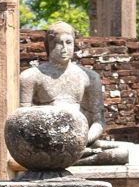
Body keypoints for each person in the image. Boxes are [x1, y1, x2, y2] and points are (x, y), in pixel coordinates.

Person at [17, 21, 128, 164]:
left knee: (121, 153)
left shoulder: (89, 77)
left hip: (82, 142)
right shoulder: (31, 76)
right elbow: (23, 119)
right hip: (47, 143)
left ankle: (71, 160)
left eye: (69, 43)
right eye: (59, 43)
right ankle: (68, 160)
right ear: (49, 45)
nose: (65, 48)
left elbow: (98, 121)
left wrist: (85, 139)